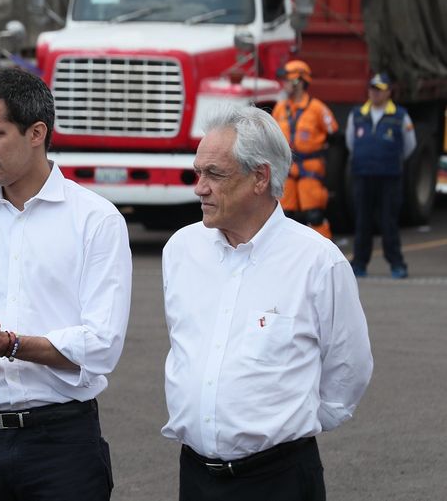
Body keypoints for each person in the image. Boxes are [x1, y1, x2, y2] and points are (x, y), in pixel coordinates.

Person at [0, 68, 132, 501]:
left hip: (63, 443)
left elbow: (102, 344)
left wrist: (10, 344)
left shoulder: (95, 220)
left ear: (37, 132)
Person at [161, 104, 373, 501]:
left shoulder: (316, 261)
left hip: (279, 480)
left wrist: (293, 428)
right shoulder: (181, 250)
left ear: (260, 177)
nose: (199, 187)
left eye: (214, 174)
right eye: (198, 173)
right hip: (195, 476)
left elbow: (350, 369)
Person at [346, 72, 416, 278]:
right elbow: (351, 143)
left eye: (380, 90)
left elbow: (409, 145)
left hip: (389, 177)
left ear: (388, 92)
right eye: (372, 89)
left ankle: (396, 264)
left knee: (389, 222)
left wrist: (390, 160)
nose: (375, 94)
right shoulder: (357, 114)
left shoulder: (400, 115)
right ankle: (359, 263)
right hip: (363, 175)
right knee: (362, 222)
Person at [271, 60, 338, 239]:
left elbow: (334, 135)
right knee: (285, 217)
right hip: (287, 170)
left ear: (299, 81)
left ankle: (325, 254)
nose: (284, 83)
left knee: (314, 216)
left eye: (287, 79)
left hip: (310, 169)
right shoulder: (280, 108)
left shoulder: (317, 109)